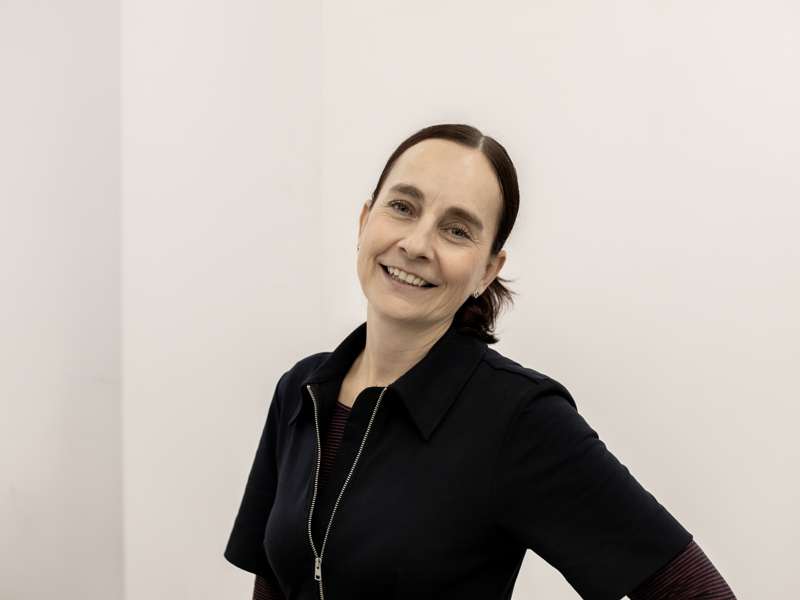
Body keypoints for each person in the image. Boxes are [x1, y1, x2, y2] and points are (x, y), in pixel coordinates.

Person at [225, 124, 736, 600]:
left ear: (488, 270)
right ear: (364, 220)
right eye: (402, 207)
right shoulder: (302, 388)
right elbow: (274, 582)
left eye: (457, 230)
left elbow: (697, 591)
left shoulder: (520, 417)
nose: (416, 244)